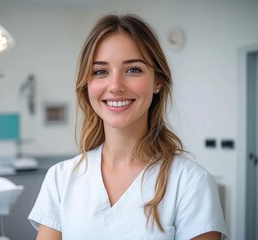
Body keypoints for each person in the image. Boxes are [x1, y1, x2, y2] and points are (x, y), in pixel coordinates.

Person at [28, 13, 227, 240]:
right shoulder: (60, 179)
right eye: (100, 71)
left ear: (158, 82)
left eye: (133, 69)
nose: (115, 86)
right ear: (87, 85)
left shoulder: (191, 182)